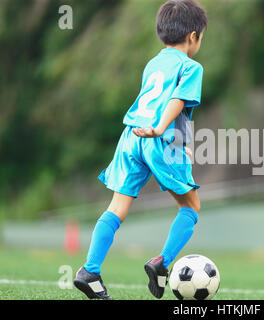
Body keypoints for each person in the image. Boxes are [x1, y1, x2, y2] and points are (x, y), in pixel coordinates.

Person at [73, 0, 207, 300]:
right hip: (160, 137)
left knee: (116, 209)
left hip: (132, 135)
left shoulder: (153, 63)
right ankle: (161, 263)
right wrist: (162, 130)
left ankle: (90, 271)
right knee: (191, 207)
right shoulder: (192, 67)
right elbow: (176, 102)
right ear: (194, 36)